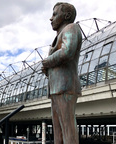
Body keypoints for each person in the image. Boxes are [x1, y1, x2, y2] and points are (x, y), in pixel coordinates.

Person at [42, 2, 82, 144]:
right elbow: (57, 63)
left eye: (54, 14)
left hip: (65, 86)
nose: (51, 18)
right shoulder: (59, 36)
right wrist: (47, 69)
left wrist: (47, 62)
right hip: (56, 88)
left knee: (67, 129)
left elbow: (67, 52)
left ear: (67, 15)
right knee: (58, 131)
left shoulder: (71, 28)